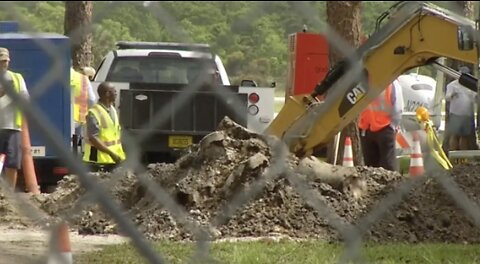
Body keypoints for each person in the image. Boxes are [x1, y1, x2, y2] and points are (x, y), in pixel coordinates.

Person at [358, 80, 404, 171]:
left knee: (371, 167)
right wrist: (393, 125)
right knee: (388, 166)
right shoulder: (392, 82)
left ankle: (374, 185)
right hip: (385, 128)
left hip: (367, 129)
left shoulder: (365, 80)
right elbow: (398, 108)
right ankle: (390, 185)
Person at [0, 47, 29, 189]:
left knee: (12, 162)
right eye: (1, 61)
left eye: (5, 61)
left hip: (12, 126)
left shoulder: (17, 78)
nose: (4, 64)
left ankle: (9, 194)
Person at [83, 82, 125, 172]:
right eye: (114, 91)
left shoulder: (112, 109)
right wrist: (111, 154)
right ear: (107, 94)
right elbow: (93, 137)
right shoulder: (94, 112)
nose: (116, 93)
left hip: (112, 160)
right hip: (98, 161)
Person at [445, 66, 477, 151]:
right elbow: (447, 97)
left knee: (465, 136)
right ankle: (453, 155)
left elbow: (475, 99)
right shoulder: (452, 85)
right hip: (455, 114)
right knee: (454, 135)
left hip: (467, 114)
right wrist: (452, 95)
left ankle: (463, 157)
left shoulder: (471, 86)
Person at [70, 66, 97, 154]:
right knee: (75, 145)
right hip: (78, 118)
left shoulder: (56, 76)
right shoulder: (83, 79)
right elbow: (92, 100)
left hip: (58, 117)